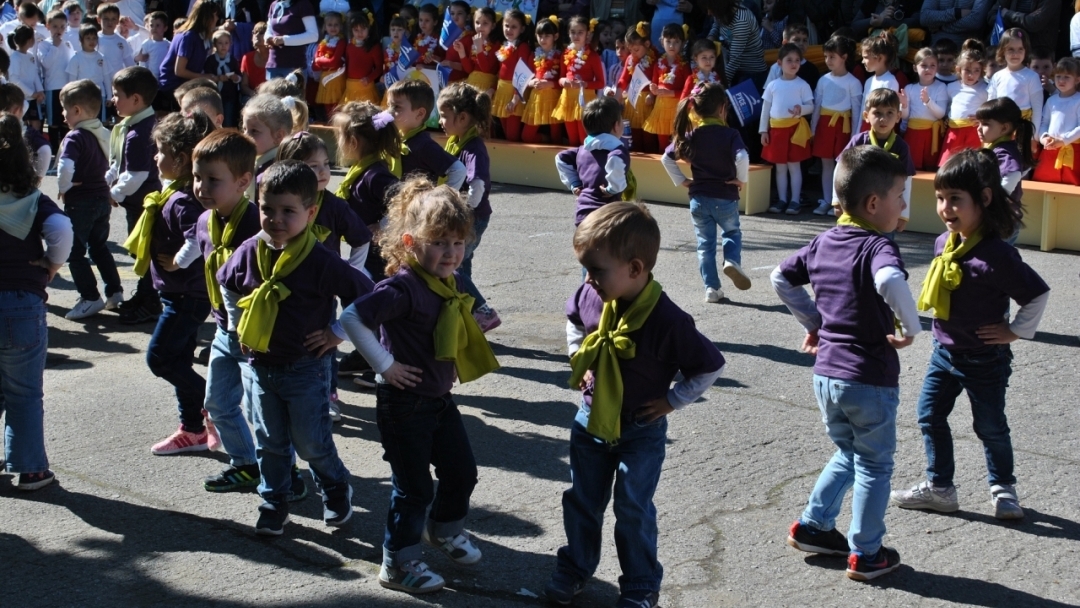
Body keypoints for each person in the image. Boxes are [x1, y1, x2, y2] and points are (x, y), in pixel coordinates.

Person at [545, 201, 725, 608]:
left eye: (597, 270)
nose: (589, 279)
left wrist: (672, 401)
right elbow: (573, 320)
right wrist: (581, 359)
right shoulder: (591, 295)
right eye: (586, 269)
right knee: (582, 501)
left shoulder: (668, 320)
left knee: (632, 508)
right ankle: (574, 568)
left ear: (636, 269)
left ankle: (640, 585)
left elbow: (710, 366)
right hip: (590, 420)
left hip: (640, 429)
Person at [339, 177, 499, 594]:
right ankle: (398, 562)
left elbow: (464, 304)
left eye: (458, 242)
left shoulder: (450, 279)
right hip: (403, 403)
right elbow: (352, 318)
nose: (451, 253)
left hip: (437, 398)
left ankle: (443, 529)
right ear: (410, 242)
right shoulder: (402, 287)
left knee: (462, 473)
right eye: (440, 242)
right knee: (413, 489)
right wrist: (386, 366)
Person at [773, 145, 920, 582]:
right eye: (899, 196)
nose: (903, 205)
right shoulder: (877, 245)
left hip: (826, 375)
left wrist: (814, 321)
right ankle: (867, 552)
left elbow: (780, 277)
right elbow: (890, 279)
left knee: (848, 451)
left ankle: (814, 526)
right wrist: (911, 328)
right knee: (875, 463)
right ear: (874, 204)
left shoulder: (823, 242)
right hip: (868, 377)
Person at [891, 149, 1049, 520]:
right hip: (943, 353)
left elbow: (1037, 293)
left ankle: (1003, 490)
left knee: (990, 427)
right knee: (929, 416)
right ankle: (940, 488)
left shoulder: (997, 255)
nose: (946, 208)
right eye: (941, 199)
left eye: (956, 199)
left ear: (986, 198)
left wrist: (1013, 331)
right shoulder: (942, 244)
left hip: (985, 359)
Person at [219, 160, 372, 536]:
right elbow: (228, 284)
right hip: (260, 366)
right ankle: (274, 500)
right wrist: (238, 324)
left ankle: (335, 487)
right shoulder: (249, 249)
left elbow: (369, 297)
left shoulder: (320, 259)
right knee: (270, 441)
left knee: (311, 442)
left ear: (311, 212)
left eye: (289, 211)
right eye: (267, 209)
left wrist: (338, 332)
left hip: (306, 366)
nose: (276, 219)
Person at [124, 111, 218, 455]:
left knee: (161, 359)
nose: (155, 157)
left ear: (180, 159)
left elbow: (200, 234)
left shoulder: (180, 200)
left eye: (161, 151)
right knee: (179, 358)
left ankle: (214, 402)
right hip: (180, 294)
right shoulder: (174, 193)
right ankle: (192, 428)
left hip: (186, 296)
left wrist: (179, 260)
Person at [0, 112, 73, 491]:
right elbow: (61, 228)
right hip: (20, 304)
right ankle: (30, 469)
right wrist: (51, 265)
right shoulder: (31, 200)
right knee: (24, 391)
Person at [662, 82, 751, 305]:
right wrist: (741, 179)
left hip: (699, 199)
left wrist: (682, 181)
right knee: (731, 233)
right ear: (722, 108)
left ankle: (712, 288)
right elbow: (742, 157)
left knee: (705, 245)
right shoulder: (730, 134)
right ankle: (731, 260)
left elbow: (666, 158)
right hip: (726, 196)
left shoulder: (692, 135)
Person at [437, 82, 501, 331]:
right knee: (462, 265)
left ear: (462, 117)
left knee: (452, 266)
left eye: (444, 116)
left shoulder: (473, 148)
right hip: (468, 216)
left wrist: (464, 211)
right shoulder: (459, 142)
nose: (440, 121)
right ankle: (467, 310)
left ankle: (482, 311)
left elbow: (478, 183)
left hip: (471, 217)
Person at [57, 79, 123, 321]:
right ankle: (114, 292)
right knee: (99, 247)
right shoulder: (102, 132)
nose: (63, 115)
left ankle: (90, 297)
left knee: (74, 253)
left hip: (81, 202)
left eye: (65, 109)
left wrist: (64, 186)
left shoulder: (76, 137)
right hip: (101, 200)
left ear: (77, 111)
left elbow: (65, 165)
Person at [107, 67, 163, 324]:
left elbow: (136, 175)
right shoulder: (136, 127)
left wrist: (114, 192)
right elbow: (120, 166)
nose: (113, 99)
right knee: (140, 253)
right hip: (138, 203)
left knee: (144, 254)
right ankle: (143, 295)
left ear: (136, 100)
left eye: (117, 94)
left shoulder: (138, 133)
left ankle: (150, 302)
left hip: (143, 204)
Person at [830, 89, 916, 235]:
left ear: (898, 116)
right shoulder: (859, 141)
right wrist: (837, 199)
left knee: (885, 243)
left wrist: (904, 214)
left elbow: (906, 180)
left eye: (890, 112)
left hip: (887, 208)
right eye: (877, 113)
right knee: (856, 241)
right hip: (859, 205)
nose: (883, 119)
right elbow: (840, 168)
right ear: (866, 116)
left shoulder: (901, 147)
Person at [555, 95, 631, 226]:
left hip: (583, 214)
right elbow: (615, 162)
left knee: (586, 245)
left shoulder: (581, 150)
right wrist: (612, 189)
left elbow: (561, 158)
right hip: (607, 216)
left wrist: (575, 183)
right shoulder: (617, 151)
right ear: (616, 126)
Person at [760, 43, 813, 215]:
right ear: (779, 63)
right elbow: (765, 109)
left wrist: (801, 110)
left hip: (795, 130)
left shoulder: (802, 84)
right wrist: (763, 131)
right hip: (776, 130)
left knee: (794, 166)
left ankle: (795, 200)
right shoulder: (772, 85)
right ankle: (782, 199)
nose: (793, 63)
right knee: (780, 167)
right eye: (789, 60)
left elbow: (811, 106)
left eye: (797, 60)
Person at [811, 35, 861, 216]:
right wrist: (813, 129)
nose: (828, 60)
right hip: (825, 125)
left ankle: (838, 202)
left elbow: (856, 111)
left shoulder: (853, 82)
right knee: (826, 164)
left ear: (844, 57)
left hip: (844, 127)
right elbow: (817, 106)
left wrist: (855, 135)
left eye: (832, 56)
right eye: (826, 56)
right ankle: (826, 199)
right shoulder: (823, 80)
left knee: (842, 165)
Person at [386, 79, 466, 188]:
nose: (389, 111)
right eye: (389, 105)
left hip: (419, 204)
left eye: (397, 107)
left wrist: (443, 197)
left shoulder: (424, 145)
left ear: (420, 114)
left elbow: (458, 169)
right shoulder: (397, 138)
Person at [976, 97, 1034, 242]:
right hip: (1001, 219)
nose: (979, 128)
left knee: (996, 259)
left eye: (985, 124)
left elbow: (1013, 174)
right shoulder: (1000, 147)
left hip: (1001, 220)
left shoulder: (1003, 151)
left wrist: (995, 200)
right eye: (979, 123)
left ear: (1004, 128)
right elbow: (1023, 169)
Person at [157, 0, 221, 112]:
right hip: (173, 89)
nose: (217, 19)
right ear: (207, 17)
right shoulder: (188, 37)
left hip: (186, 85)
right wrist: (204, 77)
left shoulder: (201, 37)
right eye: (215, 15)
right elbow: (179, 70)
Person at [552, 16, 605, 146]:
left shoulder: (593, 56)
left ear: (587, 34)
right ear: (568, 33)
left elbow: (601, 83)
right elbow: (561, 77)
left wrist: (585, 84)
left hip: (585, 101)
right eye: (573, 32)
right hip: (568, 99)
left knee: (584, 139)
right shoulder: (565, 53)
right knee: (572, 139)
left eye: (580, 32)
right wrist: (563, 81)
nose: (576, 35)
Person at [988, 28, 1044, 140]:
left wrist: (1033, 137)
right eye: (1011, 49)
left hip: (1022, 129)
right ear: (1002, 51)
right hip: (1001, 128)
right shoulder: (997, 76)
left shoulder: (1031, 77)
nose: (1015, 54)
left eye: (1020, 49)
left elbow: (1037, 109)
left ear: (1026, 50)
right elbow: (991, 105)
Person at [940, 39, 989, 165]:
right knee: (949, 164)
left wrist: (983, 119)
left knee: (972, 165)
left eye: (976, 70)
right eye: (967, 70)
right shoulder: (951, 87)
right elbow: (947, 107)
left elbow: (992, 109)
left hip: (973, 132)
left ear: (982, 70)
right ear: (958, 69)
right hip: (954, 132)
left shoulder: (986, 88)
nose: (971, 75)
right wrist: (946, 118)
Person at [642, 23, 689, 151]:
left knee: (677, 141)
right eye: (668, 41)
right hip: (661, 108)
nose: (672, 46)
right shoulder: (658, 63)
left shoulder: (684, 65)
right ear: (662, 42)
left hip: (677, 108)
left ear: (683, 43)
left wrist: (670, 93)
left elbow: (688, 91)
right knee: (662, 141)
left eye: (676, 42)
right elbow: (654, 82)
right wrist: (652, 92)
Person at [901, 48, 949, 170]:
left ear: (937, 68)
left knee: (930, 168)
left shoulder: (941, 86)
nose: (928, 69)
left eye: (932, 65)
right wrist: (904, 105)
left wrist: (928, 101)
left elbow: (941, 114)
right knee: (912, 168)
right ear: (915, 68)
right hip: (913, 134)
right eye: (924, 65)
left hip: (932, 135)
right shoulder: (909, 88)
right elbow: (905, 116)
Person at [1034, 56, 1080, 184]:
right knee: (1045, 183)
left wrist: (1064, 140)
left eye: (1067, 77)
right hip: (1050, 150)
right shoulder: (1051, 100)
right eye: (1058, 76)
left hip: (1072, 152)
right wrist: (1043, 137)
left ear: (1077, 80)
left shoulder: (1078, 100)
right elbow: (1044, 122)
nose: (1061, 80)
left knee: (1071, 186)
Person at [521, 16, 565, 145]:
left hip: (554, 98)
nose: (543, 39)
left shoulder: (561, 55)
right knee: (526, 136)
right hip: (537, 98)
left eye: (547, 36)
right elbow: (526, 77)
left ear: (555, 37)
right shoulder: (533, 55)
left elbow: (563, 80)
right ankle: (546, 140)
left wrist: (550, 83)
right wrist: (531, 82)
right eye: (540, 36)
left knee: (556, 136)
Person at [241, 93, 292, 199]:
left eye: (254, 131)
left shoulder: (278, 171)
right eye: (244, 129)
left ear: (279, 136)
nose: (245, 136)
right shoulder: (255, 162)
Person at [491, 9, 531, 142]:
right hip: (502, 92)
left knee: (512, 135)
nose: (509, 29)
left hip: (514, 93)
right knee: (505, 133)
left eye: (514, 27)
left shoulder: (523, 47)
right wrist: (493, 89)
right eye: (506, 26)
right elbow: (499, 71)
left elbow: (522, 74)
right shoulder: (504, 46)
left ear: (522, 29)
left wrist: (515, 98)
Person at [39, 9, 74, 153]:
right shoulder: (44, 45)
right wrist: (54, 45)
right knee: (53, 122)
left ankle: (66, 148)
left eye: (62, 27)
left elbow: (72, 64)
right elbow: (46, 63)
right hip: (52, 87)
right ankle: (54, 148)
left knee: (67, 120)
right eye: (55, 26)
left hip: (67, 87)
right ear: (48, 26)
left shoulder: (68, 44)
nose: (58, 30)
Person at [0, 84, 50, 176]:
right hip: (18, 186)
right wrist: (38, 178)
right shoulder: (27, 132)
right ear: (17, 110)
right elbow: (45, 151)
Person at [67, 24, 112, 119]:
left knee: (99, 122)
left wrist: (109, 96)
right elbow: (72, 82)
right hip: (82, 97)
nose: (92, 41)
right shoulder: (76, 59)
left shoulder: (101, 57)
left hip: (100, 96)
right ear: (81, 40)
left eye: (94, 38)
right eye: (88, 38)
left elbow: (107, 77)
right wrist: (73, 98)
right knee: (84, 122)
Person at [858, 31, 900, 132]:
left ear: (880, 58)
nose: (862, 61)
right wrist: (856, 133)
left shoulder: (890, 82)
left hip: (880, 130)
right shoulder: (869, 81)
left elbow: (890, 112)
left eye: (866, 57)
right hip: (866, 128)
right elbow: (863, 111)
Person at [456, 7, 501, 100]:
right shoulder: (474, 42)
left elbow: (486, 69)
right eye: (477, 22)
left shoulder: (496, 45)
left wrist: (479, 48)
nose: (480, 26)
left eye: (485, 23)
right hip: (471, 85)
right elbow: (469, 70)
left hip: (485, 88)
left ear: (493, 26)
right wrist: (462, 53)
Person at [264, 0, 317, 78]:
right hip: (273, 64)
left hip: (294, 66)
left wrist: (284, 40)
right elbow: (269, 29)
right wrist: (268, 38)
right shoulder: (274, 4)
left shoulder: (303, 4)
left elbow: (313, 35)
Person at [763, 23, 820, 92]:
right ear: (785, 43)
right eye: (797, 40)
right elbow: (768, 92)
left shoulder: (812, 69)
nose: (801, 43)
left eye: (804, 40)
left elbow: (815, 96)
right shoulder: (776, 68)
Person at [340, 9, 381, 105]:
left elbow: (379, 68)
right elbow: (347, 65)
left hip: (366, 87)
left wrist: (369, 78)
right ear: (351, 30)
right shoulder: (349, 46)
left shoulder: (374, 47)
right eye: (356, 30)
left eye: (363, 29)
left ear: (369, 28)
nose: (360, 33)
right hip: (350, 87)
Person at [204, 29, 242, 127]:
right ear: (215, 44)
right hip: (215, 94)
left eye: (226, 43)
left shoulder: (233, 60)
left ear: (230, 44)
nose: (223, 46)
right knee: (215, 118)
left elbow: (239, 75)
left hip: (229, 94)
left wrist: (235, 78)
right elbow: (207, 76)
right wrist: (218, 78)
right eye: (220, 43)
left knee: (228, 118)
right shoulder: (210, 60)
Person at [311, 11, 345, 117]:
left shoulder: (341, 42)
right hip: (325, 78)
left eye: (336, 25)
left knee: (337, 106)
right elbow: (314, 67)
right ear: (325, 27)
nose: (333, 28)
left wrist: (320, 60)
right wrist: (321, 62)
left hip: (337, 77)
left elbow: (334, 62)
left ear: (341, 26)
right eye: (330, 25)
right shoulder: (322, 43)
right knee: (328, 108)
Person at [920, 0, 992, 46]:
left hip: (966, 55)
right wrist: (956, 12)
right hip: (936, 52)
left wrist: (941, 27)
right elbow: (924, 17)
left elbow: (975, 22)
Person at [134, 11, 170, 81]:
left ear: (165, 28)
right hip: (150, 80)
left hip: (165, 79)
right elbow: (143, 64)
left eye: (158, 25)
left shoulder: (169, 45)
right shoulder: (146, 44)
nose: (154, 28)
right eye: (151, 25)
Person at [240, 22, 270, 101]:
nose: (256, 35)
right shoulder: (247, 58)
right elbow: (244, 86)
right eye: (254, 32)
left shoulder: (275, 57)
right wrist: (255, 95)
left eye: (261, 33)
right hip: (253, 97)